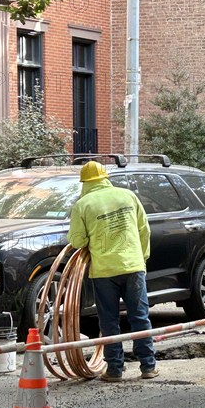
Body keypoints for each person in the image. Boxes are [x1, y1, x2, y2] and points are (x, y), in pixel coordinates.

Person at [67, 161, 158, 381]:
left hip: (104, 271)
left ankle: (115, 370)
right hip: (133, 266)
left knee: (109, 320)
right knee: (140, 316)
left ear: (85, 182)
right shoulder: (127, 196)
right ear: (105, 178)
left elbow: (76, 240)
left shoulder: (83, 204)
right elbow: (144, 229)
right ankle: (148, 367)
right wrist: (142, 258)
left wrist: (90, 237)